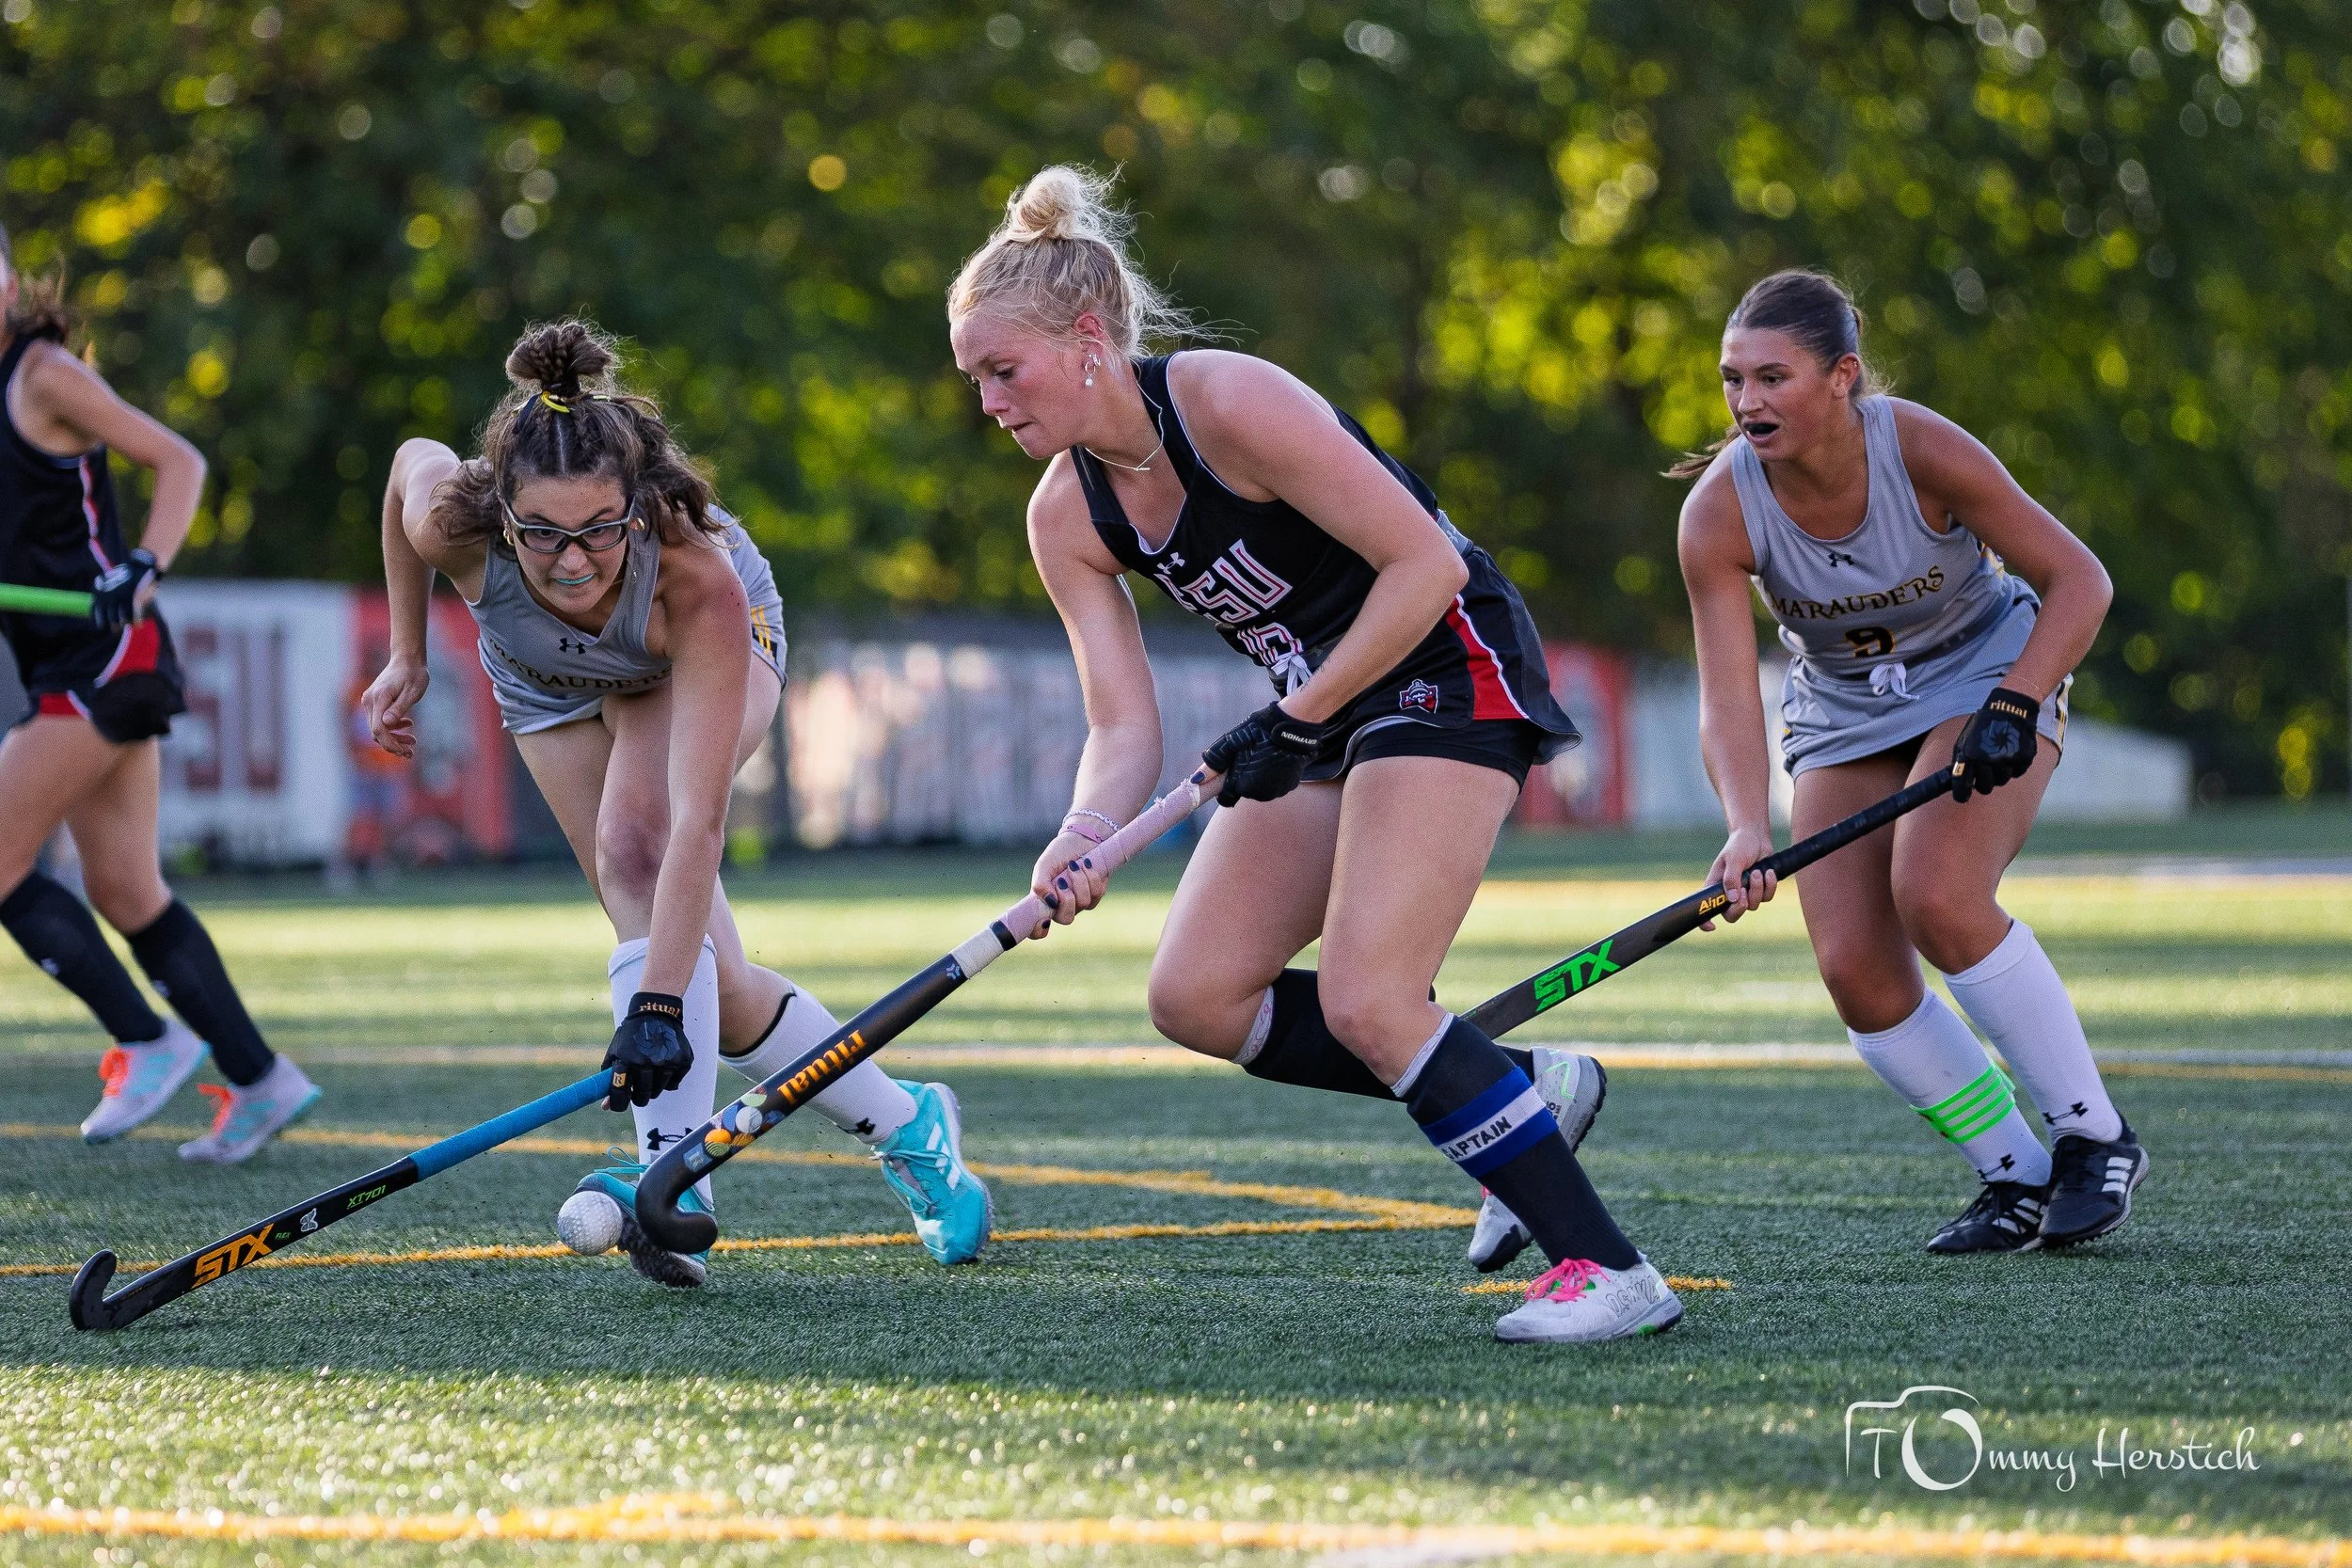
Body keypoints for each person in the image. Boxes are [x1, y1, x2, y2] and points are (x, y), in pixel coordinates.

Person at [947, 166, 1673, 1344]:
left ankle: (1610, 1269)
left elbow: (1425, 566)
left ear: (1087, 339)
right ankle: (1521, 1087)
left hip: (1447, 664)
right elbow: (1120, 723)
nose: (987, 401)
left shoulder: (1229, 402)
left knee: (1371, 995)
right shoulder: (1063, 515)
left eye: (1002, 369)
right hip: (1323, 707)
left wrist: (1294, 716)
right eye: (973, 377)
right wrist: (1080, 837)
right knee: (1195, 994)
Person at [363, 320, 991, 1287]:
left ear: (635, 508)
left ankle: (672, 1175)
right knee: (723, 992)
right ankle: (911, 1126)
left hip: (681, 658)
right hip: (543, 686)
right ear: (502, 516)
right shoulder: (456, 519)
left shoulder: (692, 575)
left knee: (638, 849)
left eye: (596, 531)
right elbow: (409, 459)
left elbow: (697, 821)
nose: (572, 562)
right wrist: (408, 652)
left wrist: (654, 1005)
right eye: (542, 536)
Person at [1675, 270, 2146, 1254]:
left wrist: (2017, 699)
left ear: (1841, 376)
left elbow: (2079, 580)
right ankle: (2013, 1174)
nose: (1745, 402)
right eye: (1732, 379)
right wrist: (1744, 824)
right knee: (1854, 967)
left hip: (1983, 674)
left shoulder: (1919, 448)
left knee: (1935, 890)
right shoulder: (1718, 515)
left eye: (1772, 377)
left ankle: (2093, 1135)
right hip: (1843, 713)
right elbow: (1727, 693)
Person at [0, 220, 320, 1163]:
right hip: (69, 664)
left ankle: (146, 1038)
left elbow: (180, 461)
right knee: (126, 888)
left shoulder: (43, 373)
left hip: (110, 651)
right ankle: (262, 1077)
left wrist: (146, 562)